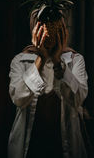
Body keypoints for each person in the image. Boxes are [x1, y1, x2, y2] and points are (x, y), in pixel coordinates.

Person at [7, 12, 89, 158]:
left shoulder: (76, 60)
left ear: (62, 30)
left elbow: (78, 99)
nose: (47, 32)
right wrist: (41, 59)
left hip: (66, 147)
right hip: (32, 147)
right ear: (34, 29)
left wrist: (58, 62)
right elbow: (18, 98)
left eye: (53, 26)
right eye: (42, 26)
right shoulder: (19, 61)